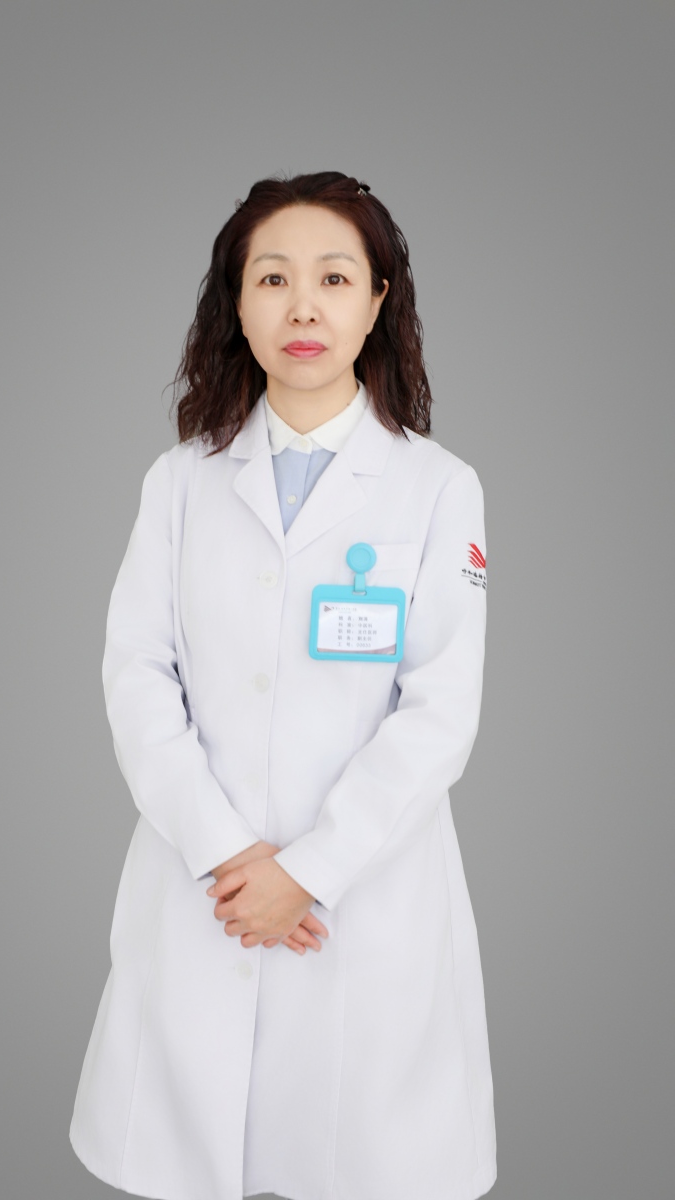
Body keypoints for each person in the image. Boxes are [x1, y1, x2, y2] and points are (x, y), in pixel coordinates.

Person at [69, 170, 497, 1200]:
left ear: (377, 301)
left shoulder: (439, 489)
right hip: (203, 890)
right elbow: (137, 674)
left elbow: (438, 714)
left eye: (333, 278)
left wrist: (307, 872)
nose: (303, 307)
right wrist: (230, 855)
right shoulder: (180, 481)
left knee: (357, 1156)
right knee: (184, 1154)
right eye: (272, 278)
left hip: (366, 902)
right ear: (238, 303)